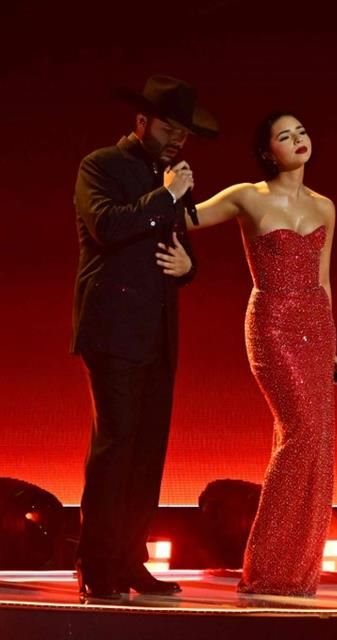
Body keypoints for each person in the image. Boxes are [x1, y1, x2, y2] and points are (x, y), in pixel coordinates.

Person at [72, 74, 218, 601]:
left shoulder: (170, 176)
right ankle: (96, 565)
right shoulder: (101, 165)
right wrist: (167, 193)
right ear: (141, 121)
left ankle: (131, 561)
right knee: (115, 446)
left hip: (158, 329)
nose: (178, 138)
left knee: (148, 449)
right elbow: (107, 227)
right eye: (168, 126)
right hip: (112, 326)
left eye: (184, 130)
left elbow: (177, 245)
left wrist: (188, 267)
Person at [187, 112, 337, 595]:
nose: (298, 139)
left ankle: (296, 571)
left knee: (317, 443)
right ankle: (268, 566)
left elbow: (323, 280)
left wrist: (333, 343)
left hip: (317, 327)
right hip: (272, 324)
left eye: (302, 131)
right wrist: (171, 190)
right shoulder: (246, 196)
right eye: (284, 135)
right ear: (265, 150)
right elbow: (183, 219)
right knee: (300, 433)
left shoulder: (326, 206)